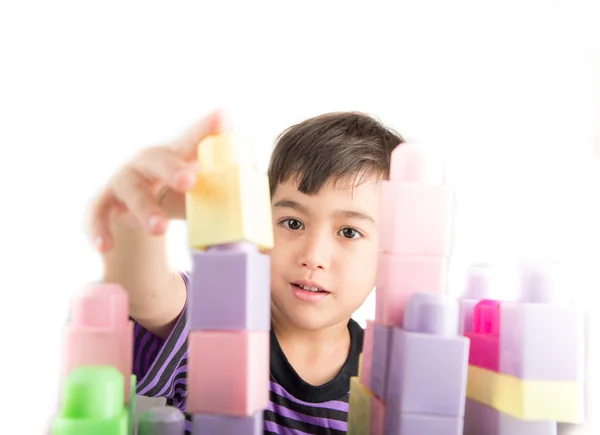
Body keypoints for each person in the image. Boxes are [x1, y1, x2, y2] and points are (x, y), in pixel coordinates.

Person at [87, 109, 404, 434]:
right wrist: (137, 216)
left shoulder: (389, 379)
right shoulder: (221, 317)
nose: (313, 256)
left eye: (349, 232)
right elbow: (147, 296)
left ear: (390, 254)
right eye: (292, 223)